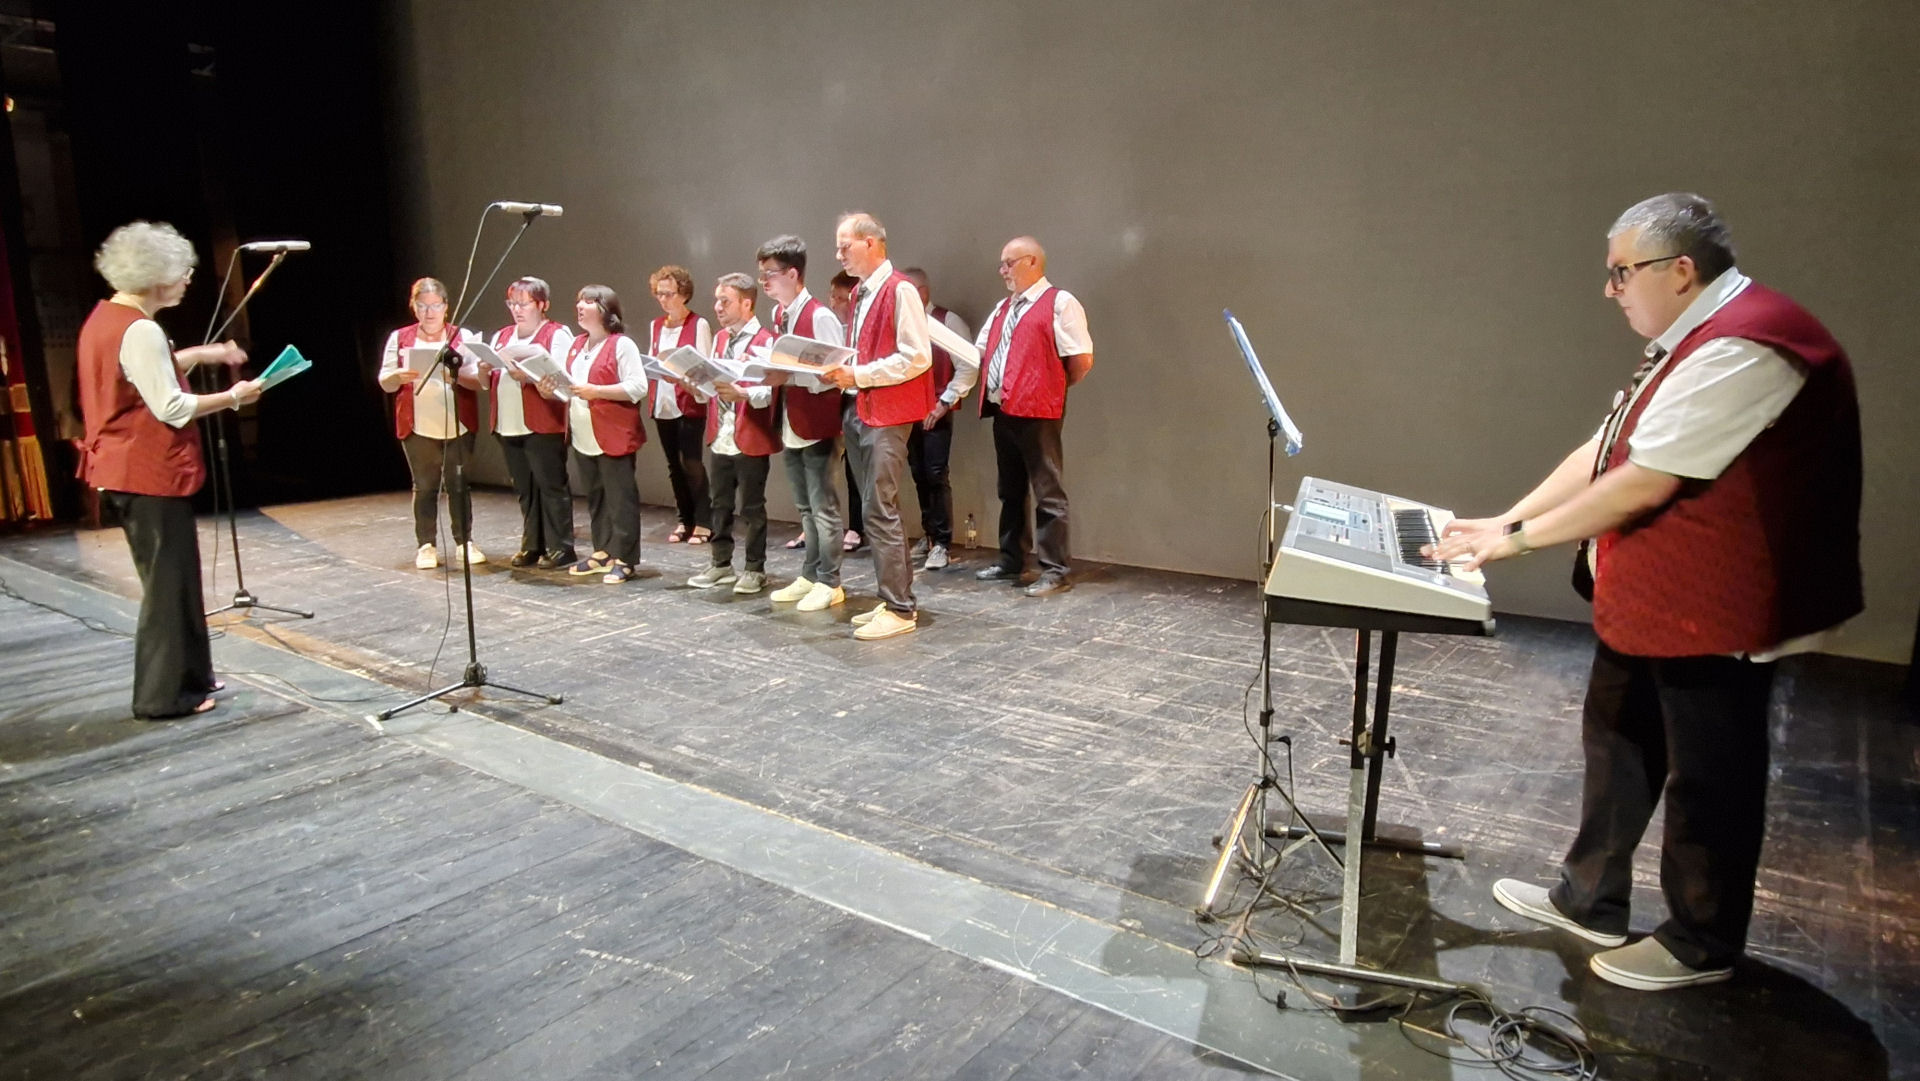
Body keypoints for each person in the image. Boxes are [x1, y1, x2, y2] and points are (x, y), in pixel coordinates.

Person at [1432, 193, 1863, 992]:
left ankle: (1701, 941)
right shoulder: (1689, 340)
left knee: (1710, 774)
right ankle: (1588, 897)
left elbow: (1646, 480)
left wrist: (1517, 542)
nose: (1611, 290)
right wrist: (1507, 518)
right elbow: (1606, 449)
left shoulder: (1748, 344)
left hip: (1718, 605)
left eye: (1622, 272)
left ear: (1681, 269)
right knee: (1618, 740)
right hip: (1653, 597)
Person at [75, 221, 261, 718]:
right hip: (144, 472)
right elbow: (172, 406)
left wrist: (206, 353)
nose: (186, 280)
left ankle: (192, 677)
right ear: (155, 276)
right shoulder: (139, 328)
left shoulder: (109, 318)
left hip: (125, 470)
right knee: (167, 588)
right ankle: (162, 697)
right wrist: (234, 396)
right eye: (181, 272)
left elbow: (147, 370)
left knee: (179, 580)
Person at [820, 213, 932, 640]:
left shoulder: (899, 289)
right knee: (875, 507)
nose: (839, 254)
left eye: (845, 245)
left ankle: (901, 608)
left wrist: (860, 375)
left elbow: (916, 356)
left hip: (886, 412)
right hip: (861, 407)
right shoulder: (862, 292)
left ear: (871, 242)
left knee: (879, 507)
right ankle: (892, 599)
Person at [971, 236, 1094, 596]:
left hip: (1039, 410)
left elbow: (1081, 359)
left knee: (1047, 491)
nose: (1002, 271)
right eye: (1002, 264)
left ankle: (1055, 570)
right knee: (1009, 490)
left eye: (1008, 263)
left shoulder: (1060, 303)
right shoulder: (1003, 308)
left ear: (1032, 262)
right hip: (1004, 408)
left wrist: (1050, 387)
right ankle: (1012, 559)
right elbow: (981, 350)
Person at [758, 235, 847, 611]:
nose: (764, 281)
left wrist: (789, 375)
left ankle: (830, 580)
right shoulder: (780, 315)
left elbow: (833, 373)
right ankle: (811, 574)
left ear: (793, 274)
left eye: (770, 273)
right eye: (762, 274)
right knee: (805, 507)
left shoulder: (820, 316)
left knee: (823, 507)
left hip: (817, 422)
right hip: (790, 421)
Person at [378, 277, 485, 569]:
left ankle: (464, 541)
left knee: (458, 484)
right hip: (418, 422)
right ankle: (426, 544)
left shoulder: (462, 337)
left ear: (446, 307)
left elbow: (478, 381)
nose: (429, 312)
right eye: (423, 306)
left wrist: (456, 375)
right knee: (425, 485)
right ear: (413, 307)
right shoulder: (400, 338)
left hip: (457, 421)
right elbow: (385, 380)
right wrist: (397, 376)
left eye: (435, 305)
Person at [688, 273, 778, 595]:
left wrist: (743, 394)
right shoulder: (720, 339)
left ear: (746, 303)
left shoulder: (766, 341)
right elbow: (714, 385)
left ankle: (755, 568)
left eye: (725, 301)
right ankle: (721, 563)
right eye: (717, 300)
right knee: (719, 503)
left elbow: (771, 392)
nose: (718, 307)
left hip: (750, 432)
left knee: (752, 506)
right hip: (722, 433)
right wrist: (695, 383)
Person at [553, 284, 648, 584]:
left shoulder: (621, 345)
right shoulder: (577, 344)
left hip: (614, 432)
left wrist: (597, 391)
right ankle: (603, 551)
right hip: (584, 433)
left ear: (606, 309)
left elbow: (638, 387)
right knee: (596, 497)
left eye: (588, 301)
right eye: (578, 301)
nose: (580, 306)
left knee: (620, 499)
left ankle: (626, 558)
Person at [484, 276, 576, 569]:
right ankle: (532, 544)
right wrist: (485, 368)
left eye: (524, 304)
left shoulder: (557, 333)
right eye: (512, 303)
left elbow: (561, 378)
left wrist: (528, 375)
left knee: (550, 485)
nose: (517, 310)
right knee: (525, 487)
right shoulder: (502, 336)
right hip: (508, 421)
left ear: (542, 305)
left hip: (543, 420)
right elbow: (488, 381)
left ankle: (561, 546)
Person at [899, 267, 977, 571]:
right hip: (910, 411)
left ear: (921, 292)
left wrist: (944, 403)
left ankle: (942, 542)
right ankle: (929, 534)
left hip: (937, 409)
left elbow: (968, 365)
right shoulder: (903, 323)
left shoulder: (947, 322)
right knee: (917, 473)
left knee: (935, 473)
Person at [646, 265, 714, 546]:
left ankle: (704, 520)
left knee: (691, 462)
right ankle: (684, 519)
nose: (663, 299)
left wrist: (685, 377)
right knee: (674, 464)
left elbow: (704, 367)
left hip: (688, 400)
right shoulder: (656, 325)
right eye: (659, 294)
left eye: (669, 294)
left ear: (683, 294)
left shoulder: (698, 324)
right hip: (663, 400)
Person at [828, 270, 864, 553]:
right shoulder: (830, 329)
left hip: (858, 401)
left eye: (841, 298)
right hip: (831, 402)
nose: (834, 303)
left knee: (856, 468)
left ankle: (857, 525)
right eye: (832, 296)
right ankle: (818, 526)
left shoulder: (859, 329)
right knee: (826, 466)